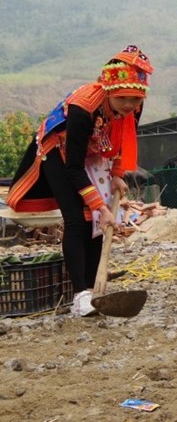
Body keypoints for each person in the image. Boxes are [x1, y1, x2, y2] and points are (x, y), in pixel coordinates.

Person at [6, 46, 154, 318]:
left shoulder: (133, 106)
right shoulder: (83, 108)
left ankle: (94, 289)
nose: (130, 105)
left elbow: (121, 141)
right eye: (124, 99)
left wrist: (118, 174)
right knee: (77, 217)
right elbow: (74, 167)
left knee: (97, 224)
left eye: (136, 98)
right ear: (109, 90)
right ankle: (81, 295)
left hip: (96, 151)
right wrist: (101, 206)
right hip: (59, 153)